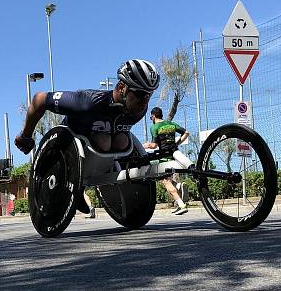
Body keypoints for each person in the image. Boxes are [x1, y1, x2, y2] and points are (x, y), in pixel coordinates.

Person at [15, 58, 160, 213]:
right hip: (68, 145)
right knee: (104, 140)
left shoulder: (139, 110)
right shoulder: (86, 102)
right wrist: (26, 135)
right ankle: (78, 188)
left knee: (122, 141)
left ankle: (87, 185)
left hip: (103, 152)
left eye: (149, 95)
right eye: (139, 94)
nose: (145, 102)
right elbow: (39, 99)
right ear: (121, 87)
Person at [143, 107, 191, 215]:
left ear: (153, 116)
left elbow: (154, 145)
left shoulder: (154, 127)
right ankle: (178, 186)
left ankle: (181, 205)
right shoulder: (171, 124)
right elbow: (186, 133)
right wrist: (177, 144)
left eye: (151, 116)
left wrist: (145, 145)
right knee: (165, 179)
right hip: (174, 154)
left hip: (164, 157)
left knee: (165, 181)